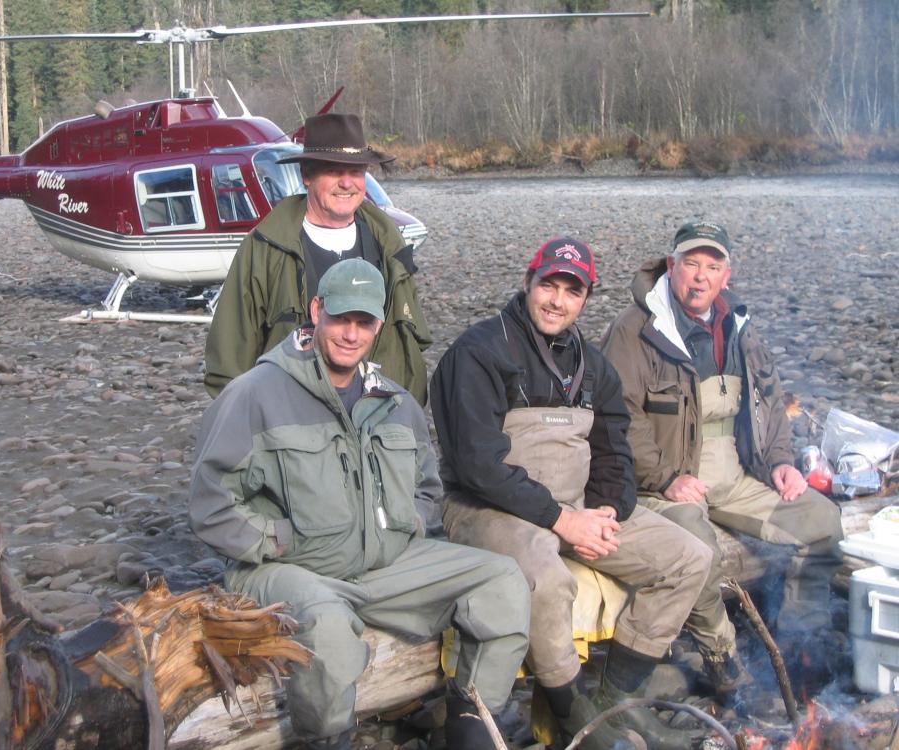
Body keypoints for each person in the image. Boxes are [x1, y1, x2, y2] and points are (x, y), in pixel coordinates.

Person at [189, 258, 530, 750]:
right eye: (341, 318)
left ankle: (473, 727)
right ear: (316, 311)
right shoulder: (253, 395)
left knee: (502, 579)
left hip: (381, 566)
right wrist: (276, 539)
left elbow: (428, 487)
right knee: (327, 627)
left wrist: (405, 524)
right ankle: (329, 739)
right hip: (285, 569)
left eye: (364, 321)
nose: (351, 334)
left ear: (379, 323)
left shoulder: (394, 402)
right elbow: (210, 502)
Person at [430, 237, 712, 750]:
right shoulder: (477, 353)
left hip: (575, 508)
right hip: (486, 508)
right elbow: (477, 466)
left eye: (571, 291)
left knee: (689, 558)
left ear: (585, 298)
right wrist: (561, 521)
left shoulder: (593, 365)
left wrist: (607, 510)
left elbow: (615, 452)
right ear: (527, 283)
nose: (557, 301)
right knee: (544, 572)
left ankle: (616, 700)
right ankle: (570, 708)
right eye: (549, 286)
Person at [601, 221, 844, 692]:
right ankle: (721, 652)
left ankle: (798, 640)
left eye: (712, 267)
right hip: (661, 482)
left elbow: (769, 401)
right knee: (697, 547)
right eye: (691, 264)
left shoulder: (739, 329)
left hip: (733, 475)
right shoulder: (633, 330)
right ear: (671, 268)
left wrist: (779, 460)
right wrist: (667, 476)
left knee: (823, 522)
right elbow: (617, 415)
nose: (700, 277)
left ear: (726, 277)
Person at [204, 112, 431, 404]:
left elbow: (411, 342)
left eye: (356, 172)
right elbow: (229, 356)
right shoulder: (263, 248)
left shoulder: (389, 243)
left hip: (379, 415)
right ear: (307, 176)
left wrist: (408, 416)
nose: (347, 183)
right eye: (334, 171)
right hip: (293, 419)